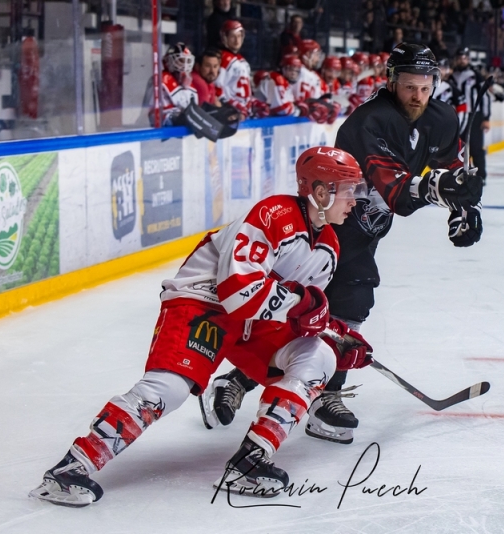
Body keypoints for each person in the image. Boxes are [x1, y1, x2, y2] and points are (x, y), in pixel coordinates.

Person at [29, 146, 372, 507]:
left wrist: (335, 335)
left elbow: (297, 313)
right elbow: (239, 291)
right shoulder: (274, 214)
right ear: (321, 191)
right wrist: (306, 307)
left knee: (319, 356)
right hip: (203, 302)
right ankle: (69, 470)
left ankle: (249, 462)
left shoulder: (329, 246)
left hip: (251, 324)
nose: (355, 201)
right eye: (349, 190)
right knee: (169, 389)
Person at [200, 43, 484, 445]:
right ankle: (238, 380)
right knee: (301, 311)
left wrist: (463, 207)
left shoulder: (438, 116)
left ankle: (324, 397)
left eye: (424, 87)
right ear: (391, 82)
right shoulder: (369, 121)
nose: (417, 96)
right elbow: (396, 193)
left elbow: (449, 167)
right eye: (408, 87)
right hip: (321, 232)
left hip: (364, 232)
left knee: (350, 304)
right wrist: (442, 190)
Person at [214, 20, 268, 119]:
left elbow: (243, 92)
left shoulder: (242, 60)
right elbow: (217, 90)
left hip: (244, 114)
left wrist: (252, 102)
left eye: (239, 36)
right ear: (224, 38)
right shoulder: (223, 59)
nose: (237, 40)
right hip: (232, 115)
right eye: (233, 36)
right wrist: (234, 107)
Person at [452, 47, 490, 184]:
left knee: (476, 147)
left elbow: (485, 97)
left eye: (465, 58)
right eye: (460, 57)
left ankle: (480, 176)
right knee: (459, 148)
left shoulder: (476, 76)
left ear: (468, 59)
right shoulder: (451, 76)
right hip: (458, 117)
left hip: (474, 116)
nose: (462, 60)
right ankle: (461, 175)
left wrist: (486, 118)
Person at [143, 42, 198, 126]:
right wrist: (173, 118)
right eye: (180, 60)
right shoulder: (158, 81)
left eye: (188, 61)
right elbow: (150, 114)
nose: (185, 65)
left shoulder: (190, 86)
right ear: (169, 60)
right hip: (164, 134)